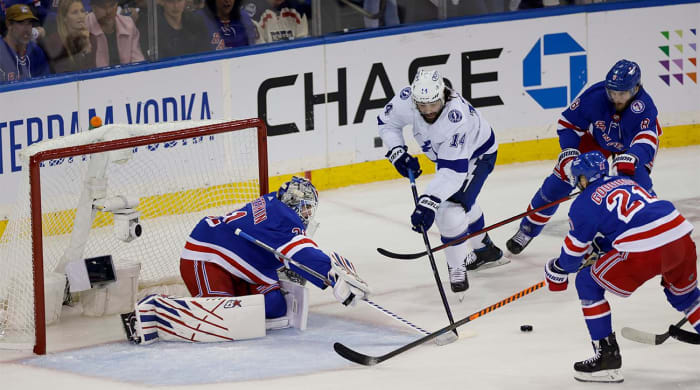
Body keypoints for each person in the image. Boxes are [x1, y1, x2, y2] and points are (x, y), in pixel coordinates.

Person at [120, 177, 371, 344]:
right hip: (208, 257)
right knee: (221, 321)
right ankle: (153, 309)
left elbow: (295, 248)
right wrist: (332, 275)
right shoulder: (283, 219)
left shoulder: (275, 201)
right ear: (295, 204)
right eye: (306, 208)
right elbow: (302, 252)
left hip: (244, 264)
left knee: (275, 307)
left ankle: (235, 299)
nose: (307, 214)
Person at [543, 151, 698, 383]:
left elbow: (572, 258)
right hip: (678, 234)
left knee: (587, 282)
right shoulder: (626, 180)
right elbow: (631, 218)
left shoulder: (583, 203)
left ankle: (607, 359)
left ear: (583, 179)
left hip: (643, 247)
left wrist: (555, 269)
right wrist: (603, 245)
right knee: (687, 298)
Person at [506, 59, 661, 255]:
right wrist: (570, 151)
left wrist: (632, 156)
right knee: (560, 180)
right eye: (612, 92)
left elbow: (647, 138)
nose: (615, 98)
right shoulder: (595, 96)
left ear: (636, 88)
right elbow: (567, 123)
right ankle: (527, 230)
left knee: (638, 187)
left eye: (621, 93)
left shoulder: (644, 106)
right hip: (598, 140)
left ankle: (654, 228)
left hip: (631, 149)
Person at [377, 69, 506, 294]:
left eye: (433, 105)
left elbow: (452, 174)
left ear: (444, 95)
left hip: (477, 155)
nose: (427, 111)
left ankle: (457, 268)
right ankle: (485, 250)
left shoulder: (456, 118)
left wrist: (428, 202)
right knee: (462, 200)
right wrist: (397, 152)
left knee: (449, 212)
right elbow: (387, 123)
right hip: (447, 157)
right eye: (422, 105)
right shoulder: (409, 99)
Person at [135, 0, 209, 59]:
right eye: (170, 1)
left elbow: (205, 51)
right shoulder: (150, 24)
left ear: (185, 1)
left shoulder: (196, 21)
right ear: (163, 2)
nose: (175, 6)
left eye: (179, 1)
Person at [40, 0, 94, 73]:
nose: (81, 16)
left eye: (82, 11)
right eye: (75, 12)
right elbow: (64, 75)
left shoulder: (91, 38)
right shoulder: (54, 43)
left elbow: (93, 72)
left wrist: (87, 47)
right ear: (64, 18)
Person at [0, 4, 50, 82]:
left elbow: (46, 83)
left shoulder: (36, 51)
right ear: (9, 24)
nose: (27, 29)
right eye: (21, 23)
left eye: (29, 23)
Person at [87, 0, 144, 68]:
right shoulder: (84, 27)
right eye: (103, 7)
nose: (108, 11)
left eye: (112, 5)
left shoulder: (128, 25)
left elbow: (138, 63)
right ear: (93, 7)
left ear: (117, 5)